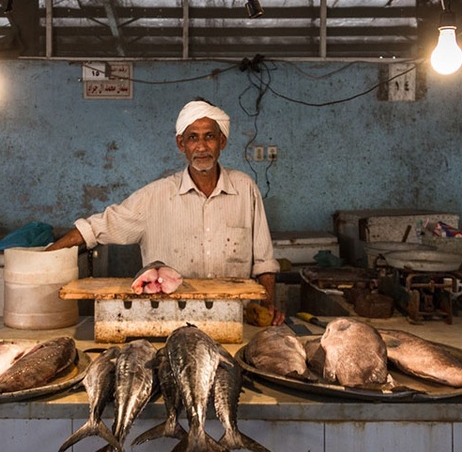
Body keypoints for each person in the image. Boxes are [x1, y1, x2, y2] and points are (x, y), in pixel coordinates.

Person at [48, 99, 285, 325]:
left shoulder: (245, 189)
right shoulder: (155, 197)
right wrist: (44, 256)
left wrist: (269, 306)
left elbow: (264, 262)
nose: (201, 147)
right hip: (170, 322)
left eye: (209, 137)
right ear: (181, 144)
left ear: (221, 141)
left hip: (234, 320)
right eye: (193, 138)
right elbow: (97, 227)